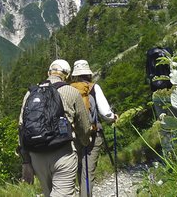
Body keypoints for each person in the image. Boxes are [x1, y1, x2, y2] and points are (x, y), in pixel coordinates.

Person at [19, 59, 92, 197]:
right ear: (68, 75)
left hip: (37, 156)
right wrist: (85, 142)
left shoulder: (30, 93)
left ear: (48, 72)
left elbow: (22, 127)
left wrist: (26, 161)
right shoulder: (71, 92)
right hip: (63, 153)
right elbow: (84, 126)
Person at [69, 59, 118, 197]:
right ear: (88, 73)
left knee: (79, 169)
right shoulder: (94, 88)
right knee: (88, 172)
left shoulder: (68, 89)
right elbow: (105, 112)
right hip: (93, 134)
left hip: (74, 136)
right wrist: (113, 117)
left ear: (75, 74)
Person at [147, 47, 177, 157]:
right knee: (176, 122)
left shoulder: (151, 62)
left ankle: (168, 152)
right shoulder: (172, 62)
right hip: (171, 93)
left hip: (157, 96)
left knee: (164, 124)